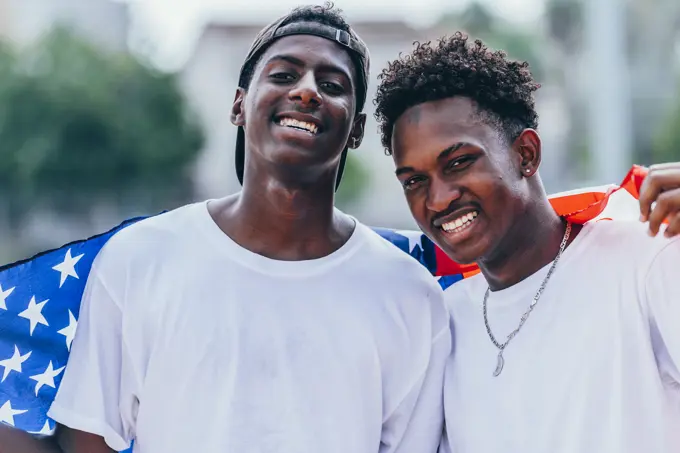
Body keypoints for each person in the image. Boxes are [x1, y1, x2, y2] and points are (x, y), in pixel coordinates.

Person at [0, 4, 449, 453]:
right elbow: (89, 436)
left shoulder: (409, 291)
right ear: (239, 104)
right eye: (283, 75)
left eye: (332, 85)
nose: (308, 92)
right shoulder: (140, 257)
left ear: (356, 129)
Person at [373, 32, 680, 453]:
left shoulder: (646, 257)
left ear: (526, 154)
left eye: (459, 162)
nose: (439, 198)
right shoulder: (442, 319)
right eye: (414, 181)